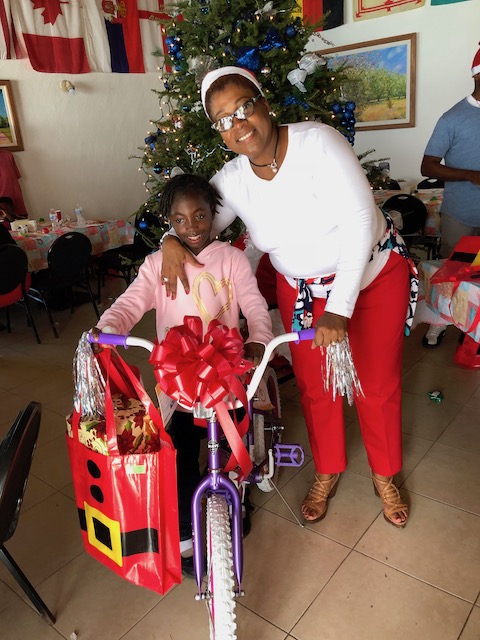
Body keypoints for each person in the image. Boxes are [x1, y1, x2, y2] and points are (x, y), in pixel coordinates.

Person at [161, 66, 418, 529]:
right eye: (223, 119)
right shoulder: (233, 179)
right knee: (317, 388)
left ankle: (385, 474)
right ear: (219, 132)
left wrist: (339, 308)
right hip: (301, 290)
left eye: (244, 107)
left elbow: (361, 219)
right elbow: (196, 225)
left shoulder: (318, 142)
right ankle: (328, 469)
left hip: (373, 278)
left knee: (375, 384)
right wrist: (169, 241)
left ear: (264, 102)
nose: (238, 124)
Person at [90, 173, 273, 575]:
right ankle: (187, 532)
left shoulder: (231, 258)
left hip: (224, 377)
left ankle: (236, 497)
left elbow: (254, 304)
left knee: (231, 443)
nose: (192, 227)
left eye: (200, 215)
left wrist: (259, 336)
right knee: (178, 454)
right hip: (178, 384)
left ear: (213, 215)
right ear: (169, 223)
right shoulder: (158, 263)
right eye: (180, 220)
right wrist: (109, 328)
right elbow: (131, 302)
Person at [420, 45, 480, 348]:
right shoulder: (453, 118)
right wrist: (469, 175)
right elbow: (427, 165)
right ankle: (438, 326)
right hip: (461, 215)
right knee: (452, 276)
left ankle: (475, 332)